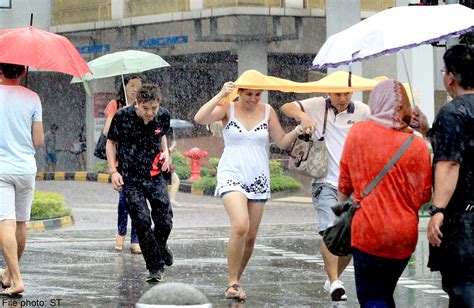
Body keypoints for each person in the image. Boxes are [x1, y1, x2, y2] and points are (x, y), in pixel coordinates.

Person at [194, 82, 303, 301]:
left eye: (257, 94)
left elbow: (281, 141)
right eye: (248, 94)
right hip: (232, 173)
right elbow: (200, 118)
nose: (252, 98)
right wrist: (221, 94)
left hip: (258, 176)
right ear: (240, 93)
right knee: (241, 225)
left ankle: (235, 281)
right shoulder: (228, 108)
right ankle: (233, 281)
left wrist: (298, 130)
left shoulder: (268, 111)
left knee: (251, 237)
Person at [337, 79, 432, 307]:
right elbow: (423, 197)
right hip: (403, 236)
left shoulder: (358, 133)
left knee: (371, 298)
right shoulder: (417, 145)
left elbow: (344, 186)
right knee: (385, 293)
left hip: (368, 231)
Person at [281, 91, 370, 301]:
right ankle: (335, 283)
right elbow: (287, 107)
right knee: (331, 228)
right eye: (338, 94)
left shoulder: (362, 111)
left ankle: (333, 278)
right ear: (330, 92)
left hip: (353, 185)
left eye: (346, 93)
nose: (342, 98)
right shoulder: (317, 105)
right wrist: (303, 116)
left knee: (350, 238)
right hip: (326, 182)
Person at [412, 44, 474, 308]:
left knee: (464, 289)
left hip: (465, 221)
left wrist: (438, 209)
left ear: (450, 77)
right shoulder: (453, 115)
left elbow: (450, 164)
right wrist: (429, 130)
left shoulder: (453, 112)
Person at [106, 83, 173, 283]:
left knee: (165, 219)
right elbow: (111, 142)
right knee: (142, 222)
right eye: (146, 109)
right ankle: (154, 267)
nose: (150, 113)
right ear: (137, 103)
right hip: (131, 178)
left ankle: (160, 246)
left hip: (154, 174)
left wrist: (166, 154)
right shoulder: (122, 117)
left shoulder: (163, 116)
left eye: (154, 108)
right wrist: (113, 171)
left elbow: (161, 137)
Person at [0, 63, 44, 297]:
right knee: (19, 223)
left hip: (1, 169)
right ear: (24, 72)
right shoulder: (33, 98)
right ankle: (8, 272)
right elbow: (38, 140)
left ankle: (16, 279)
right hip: (26, 168)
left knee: (4, 222)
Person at [103, 75, 143, 254]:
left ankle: (135, 239)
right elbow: (107, 132)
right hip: (123, 161)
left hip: (141, 160)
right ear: (124, 86)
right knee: (125, 199)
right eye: (132, 85)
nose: (135, 89)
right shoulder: (116, 104)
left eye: (138, 86)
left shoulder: (144, 105)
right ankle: (121, 233)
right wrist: (123, 114)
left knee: (139, 201)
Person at [167, 127, 181, 207]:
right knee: (175, 181)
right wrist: (172, 146)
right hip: (164, 163)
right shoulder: (162, 135)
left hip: (166, 162)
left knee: (175, 181)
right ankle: (171, 200)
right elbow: (165, 150)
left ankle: (171, 200)